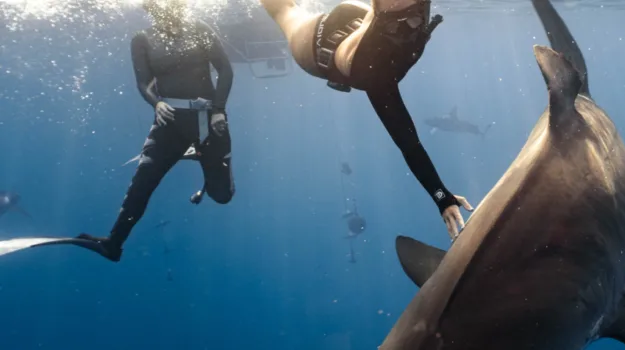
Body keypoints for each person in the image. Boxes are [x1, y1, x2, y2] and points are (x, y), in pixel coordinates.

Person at [259, 0, 473, 238]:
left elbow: (409, 144)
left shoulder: (379, 73)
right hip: (328, 42)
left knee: (284, 9)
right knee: (285, 10)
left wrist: (441, 197)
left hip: (323, 44)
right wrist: (441, 196)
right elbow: (410, 145)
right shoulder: (378, 70)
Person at [75, 0, 235, 262]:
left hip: (208, 120)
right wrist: (157, 102)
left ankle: (209, 164)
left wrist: (218, 109)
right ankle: (114, 244)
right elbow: (143, 82)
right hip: (168, 123)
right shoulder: (142, 39)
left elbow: (225, 69)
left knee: (221, 197)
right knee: (141, 182)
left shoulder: (200, 28)